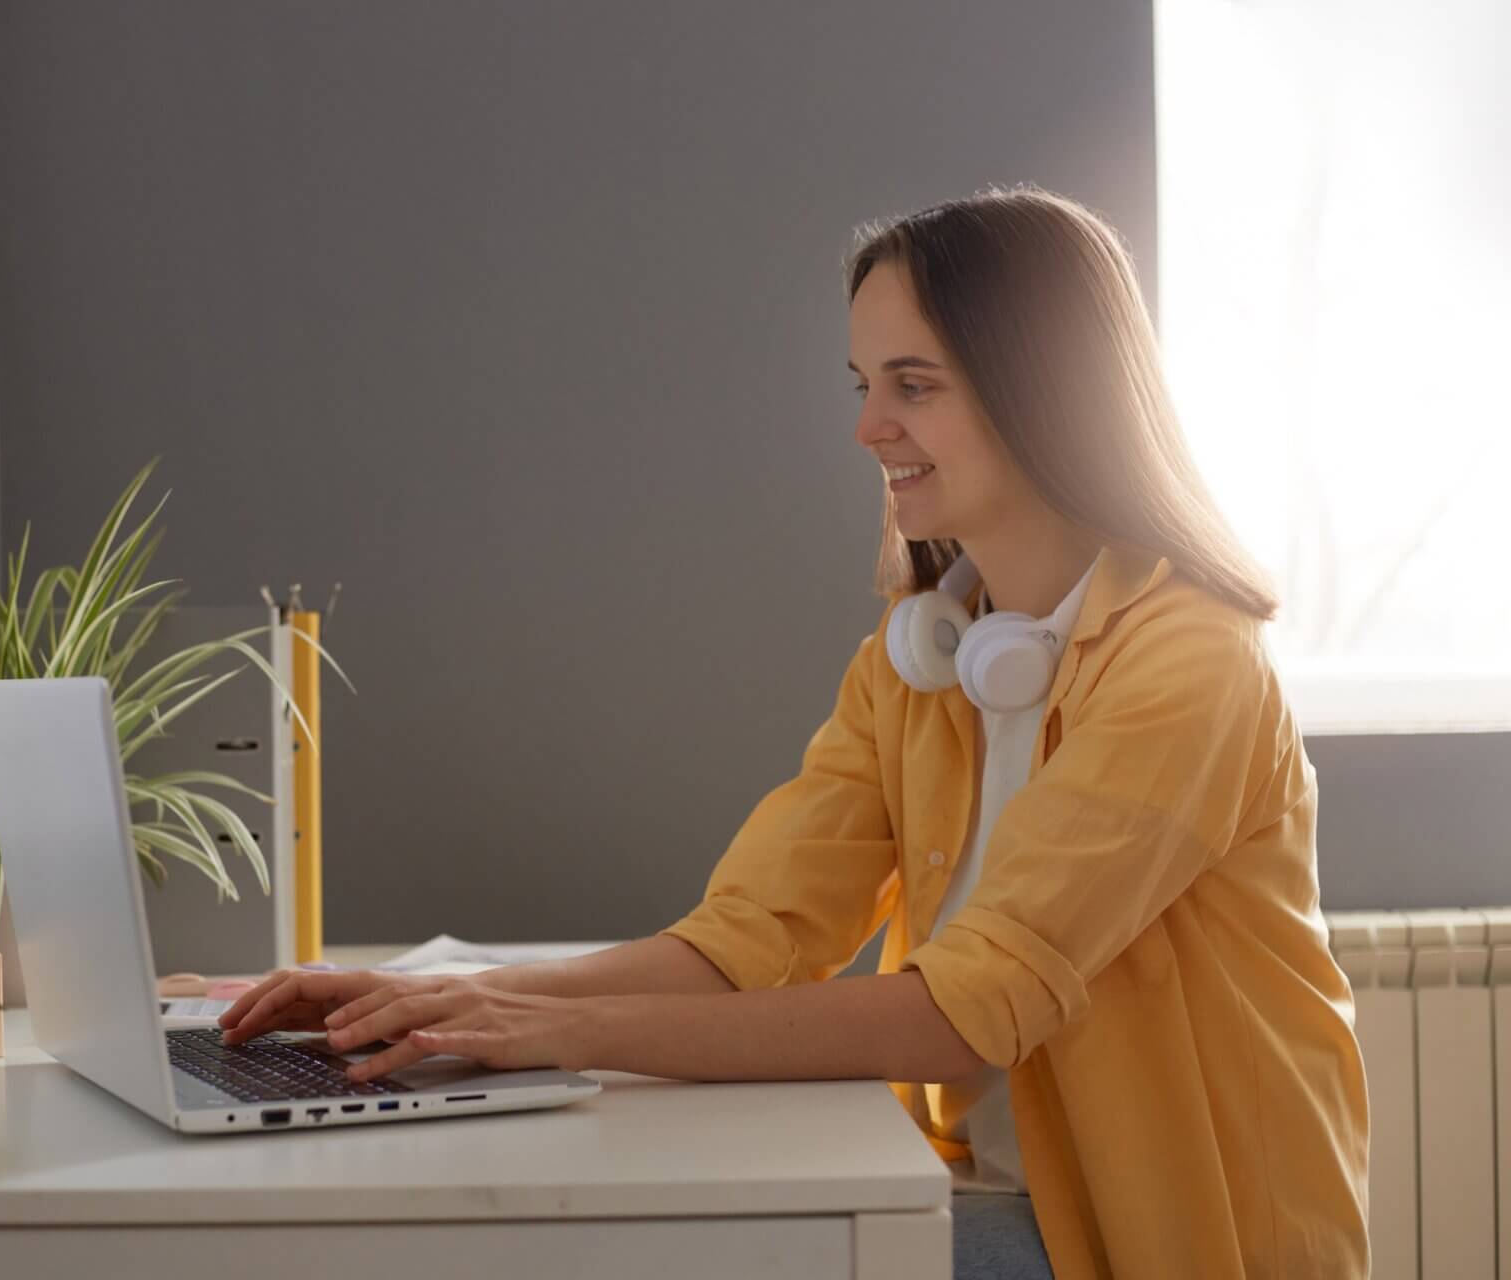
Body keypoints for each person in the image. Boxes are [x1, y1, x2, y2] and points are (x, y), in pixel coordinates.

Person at [218, 185, 1371, 1279]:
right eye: (863, 381)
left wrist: (549, 1030)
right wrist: (450, 1003)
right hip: (989, 1193)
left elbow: (960, 1011)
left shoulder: (1192, 666)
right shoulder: (919, 655)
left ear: (1044, 389)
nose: (870, 425)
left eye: (913, 383)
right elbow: (752, 937)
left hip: (1147, 1245)